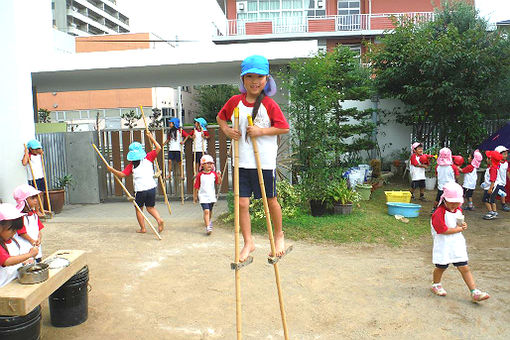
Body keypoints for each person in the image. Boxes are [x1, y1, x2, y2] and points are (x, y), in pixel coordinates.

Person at [217, 55, 290, 262]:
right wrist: (226, 129)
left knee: (271, 200)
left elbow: (284, 128)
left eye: (259, 76)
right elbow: (220, 117)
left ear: (267, 79)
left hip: (264, 162)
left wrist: (261, 131)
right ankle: (249, 242)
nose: (254, 81)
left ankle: (278, 235)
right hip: (241, 161)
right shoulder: (234, 102)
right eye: (249, 76)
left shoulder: (269, 104)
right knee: (241, 203)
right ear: (242, 79)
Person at [430, 182, 490, 302]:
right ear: (444, 200)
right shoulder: (439, 213)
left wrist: (463, 225)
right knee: (441, 266)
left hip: (456, 243)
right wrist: (459, 229)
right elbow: (442, 230)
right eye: (451, 203)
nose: (454, 206)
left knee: (464, 267)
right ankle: (436, 284)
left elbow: (458, 222)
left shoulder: (457, 209)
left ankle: (474, 291)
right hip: (444, 244)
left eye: (456, 203)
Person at [106, 131, 164, 234]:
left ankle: (143, 228)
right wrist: (151, 137)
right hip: (151, 187)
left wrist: (111, 169)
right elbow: (159, 147)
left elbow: (122, 175)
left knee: (139, 209)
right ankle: (159, 219)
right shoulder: (149, 158)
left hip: (141, 190)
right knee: (150, 207)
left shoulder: (132, 165)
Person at [0, 203, 39, 288]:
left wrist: (24, 262)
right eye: (11, 230)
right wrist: (29, 254)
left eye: (16, 230)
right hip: (3, 287)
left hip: (14, 282)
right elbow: (7, 261)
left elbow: (14, 258)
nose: (14, 233)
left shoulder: (12, 241)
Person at [13, 184, 45, 262]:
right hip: (24, 247)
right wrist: (32, 241)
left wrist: (39, 238)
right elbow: (21, 232)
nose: (36, 200)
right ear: (23, 200)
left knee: (37, 262)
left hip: (35, 245)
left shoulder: (34, 214)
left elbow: (39, 228)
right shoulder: (18, 215)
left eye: (36, 197)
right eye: (32, 198)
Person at [193, 155, 221, 235]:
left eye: (211, 163)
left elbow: (218, 182)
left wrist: (219, 177)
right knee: (206, 211)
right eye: (207, 163)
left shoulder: (213, 174)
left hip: (211, 196)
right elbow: (196, 187)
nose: (209, 165)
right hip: (203, 197)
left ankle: (209, 221)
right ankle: (208, 227)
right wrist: (195, 197)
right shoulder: (200, 175)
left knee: (210, 211)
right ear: (202, 165)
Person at [21, 139, 46, 214]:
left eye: (38, 148)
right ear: (30, 149)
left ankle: (41, 209)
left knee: (41, 193)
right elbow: (24, 163)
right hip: (33, 178)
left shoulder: (39, 155)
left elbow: (41, 151)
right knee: (36, 195)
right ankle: (37, 210)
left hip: (40, 176)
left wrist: (40, 150)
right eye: (35, 149)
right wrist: (26, 152)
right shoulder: (29, 156)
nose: (37, 150)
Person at [433, 147, 459, 213]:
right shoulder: (453, 167)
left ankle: (434, 209)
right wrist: (456, 182)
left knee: (438, 198)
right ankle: (449, 210)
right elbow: (457, 176)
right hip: (450, 187)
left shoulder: (437, 166)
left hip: (441, 186)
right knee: (450, 199)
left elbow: (437, 175)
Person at [481, 151, 502, 220]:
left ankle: (492, 212)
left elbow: (493, 179)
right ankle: (493, 212)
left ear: (491, 160)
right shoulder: (492, 167)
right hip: (490, 186)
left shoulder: (493, 168)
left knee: (488, 200)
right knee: (490, 200)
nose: (486, 159)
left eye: (488, 158)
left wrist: (490, 188)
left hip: (492, 187)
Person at [494, 145, 510, 212]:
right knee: (493, 192)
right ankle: (491, 202)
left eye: (506, 154)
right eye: (504, 154)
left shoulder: (506, 163)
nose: (506, 155)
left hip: (503, 182)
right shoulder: (496, 163)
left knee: (503, 193)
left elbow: (507, 172)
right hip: (496, 182)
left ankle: (503, 204)